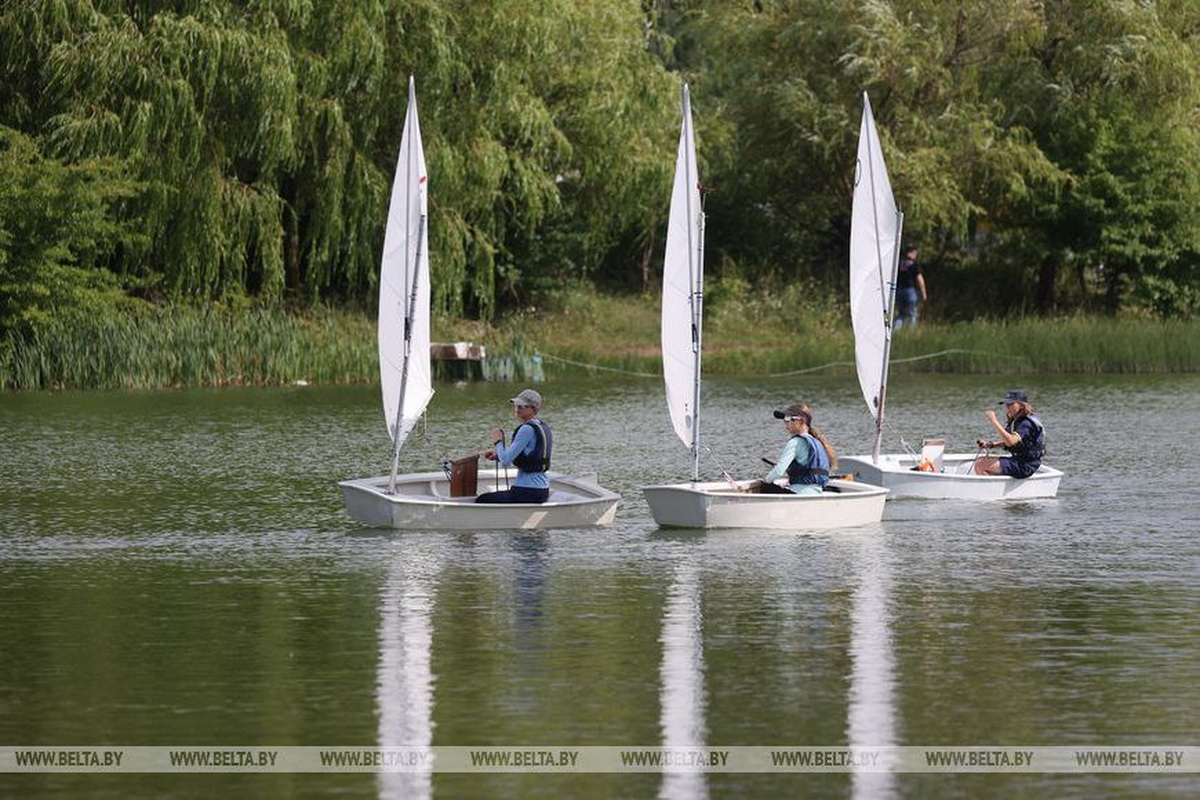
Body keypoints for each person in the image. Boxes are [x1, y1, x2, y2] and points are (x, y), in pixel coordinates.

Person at [476, 388, 553, 504]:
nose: (517, 408)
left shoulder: (526, 429)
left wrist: (498, 442)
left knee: (482, 499)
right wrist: (498, 455)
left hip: (527, 491)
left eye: (522, 406)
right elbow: (526, 456)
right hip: (542, 490)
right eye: (516, 405)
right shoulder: (542, 426)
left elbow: (506, 461)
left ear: (533, 409)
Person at [758, 402, 836, 495]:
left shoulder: (795, 442)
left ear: (801, 421)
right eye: (784, 420)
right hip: (816, 493)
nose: (785, 424)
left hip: (799, 494)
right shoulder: (818, 442)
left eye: (788, 420)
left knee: (765, 486)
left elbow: (779, 471)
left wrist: (765, 481)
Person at [973, 389, 1046, 478]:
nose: (1007, 407)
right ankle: (993, 489)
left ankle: (989, 490)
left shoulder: (1025, 423)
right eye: (1006, 404)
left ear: (1022, 405)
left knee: (981, 464)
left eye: (1011, 404)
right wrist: (991, 445)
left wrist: (994, 420)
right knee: (981, 461)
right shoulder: (1017, 421)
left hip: (1025, 465)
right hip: (1019, 461)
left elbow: (1011, 442)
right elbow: (1015, 443)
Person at [893, 244, 927, 330]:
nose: (916, 255)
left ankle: (895, 330)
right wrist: (924, 294)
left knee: (901, 314)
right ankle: (911, 332)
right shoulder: (914, 265)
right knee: (913, 313)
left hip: (899, 291)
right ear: (911, 253)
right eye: (915, 253)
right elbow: (920, 280)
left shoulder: (899, 264)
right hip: (910, 291)